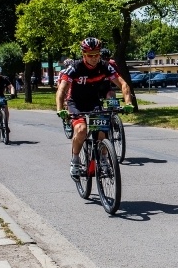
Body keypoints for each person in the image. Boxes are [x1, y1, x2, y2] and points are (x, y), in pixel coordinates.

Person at [55, 37, 134, 177]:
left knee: (102, 129)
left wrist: (128, 103)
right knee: (81, 130)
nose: (94, 58)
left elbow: (123, 84)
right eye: (90, 55)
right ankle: (75, 160)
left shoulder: (104, 66)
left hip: (93, 102)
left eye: (96, 54)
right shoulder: (75, 67)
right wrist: (60, 108)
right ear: (83, 54)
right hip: (75, 103)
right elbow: (61, 90)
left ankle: (103, 158)